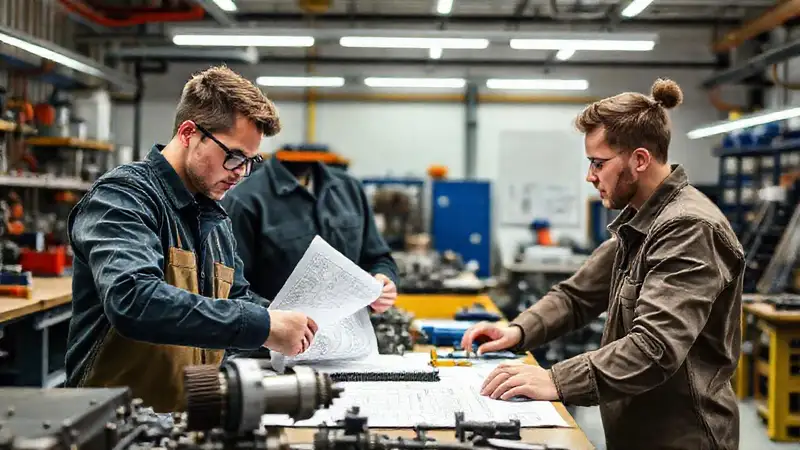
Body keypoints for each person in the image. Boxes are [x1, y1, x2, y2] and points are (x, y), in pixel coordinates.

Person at [461, 79, 744, 450]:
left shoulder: (687, 227)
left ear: (640, 159)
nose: (590, 176)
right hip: (638, 431)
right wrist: (517, 330)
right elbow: (576, 296)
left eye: (598, 163)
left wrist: (556, 380)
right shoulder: (641, 220)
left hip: (682, 437)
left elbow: (654, 347)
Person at [65, 66, 318, 413]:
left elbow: (236, 298)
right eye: (233, 156)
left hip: (189, 423)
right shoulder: (123, 197)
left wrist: (293, 323)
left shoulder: (214, 216)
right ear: (188, 133)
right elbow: (134, 300)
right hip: (114, 425)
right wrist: (262, 325)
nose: (240, 174)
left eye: (250, 161)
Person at [220, 151, 399, 314]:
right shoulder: (245, 200)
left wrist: (383, 280)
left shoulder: (350, 189)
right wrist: (274, 317)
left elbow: (379, 258)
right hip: (273, 343)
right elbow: (231, 288)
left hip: (351, 338)